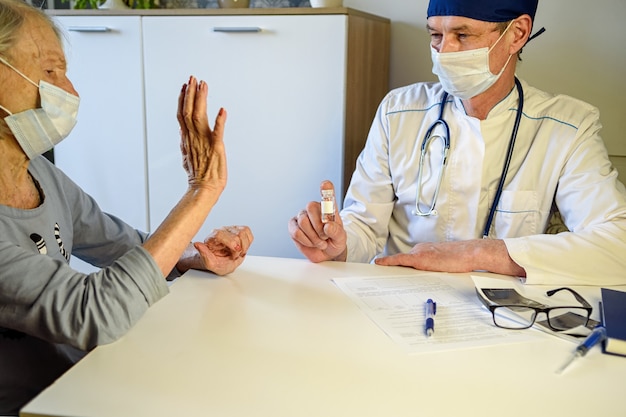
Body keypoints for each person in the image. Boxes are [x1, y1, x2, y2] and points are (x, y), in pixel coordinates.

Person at [0, 0, 253, 413]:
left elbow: (121, 245)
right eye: (50, 72)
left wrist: (192, 257)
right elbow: (95, 311)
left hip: (81, 383)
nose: (70, 93)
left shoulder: (41, 175)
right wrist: (201, 191)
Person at [289, 0, 626, 286]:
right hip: (397, 301)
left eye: (462, 35)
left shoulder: (567, 127)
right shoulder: (398, 111)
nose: (444, 51)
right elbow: (363, 224)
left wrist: (476, 253)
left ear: (517, 34)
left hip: (501, 318)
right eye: (435, 35)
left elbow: (618, 245)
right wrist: (339, 246)